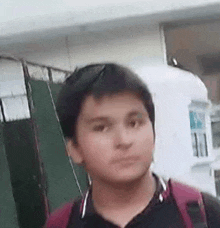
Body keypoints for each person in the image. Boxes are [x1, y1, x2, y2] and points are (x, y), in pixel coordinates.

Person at [45, 63, 220, 228]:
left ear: (153, 132)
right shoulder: (62, 224)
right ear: (74, 149)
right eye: (102, 127)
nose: (124, 140)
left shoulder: (204, 214)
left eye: (134, 123)